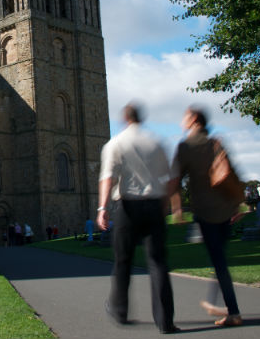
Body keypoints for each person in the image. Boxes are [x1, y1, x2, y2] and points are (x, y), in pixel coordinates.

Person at [97, 102, 178, 334]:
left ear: (125, 118)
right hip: (154, 206)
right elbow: (171, 177)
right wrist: (165, 202)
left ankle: (120, 311)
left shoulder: (117, 143)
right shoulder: (157, 142)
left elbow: (108, 178)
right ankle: (165, 321)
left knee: (123, 261)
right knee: (158, 263)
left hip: (128, 207)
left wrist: (102, 208)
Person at [170, 106, 242, 327]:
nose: (182, 121)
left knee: (219, 261)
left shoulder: (186, 146)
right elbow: (233, 174)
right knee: (219, 259)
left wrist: (177, 209)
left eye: (184, 117)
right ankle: (219, 303)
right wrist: (238, 204)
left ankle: (233, 312)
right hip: (227, 209)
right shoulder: (216, 142)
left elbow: (175, 180)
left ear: (193, 120)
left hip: (207, 212)